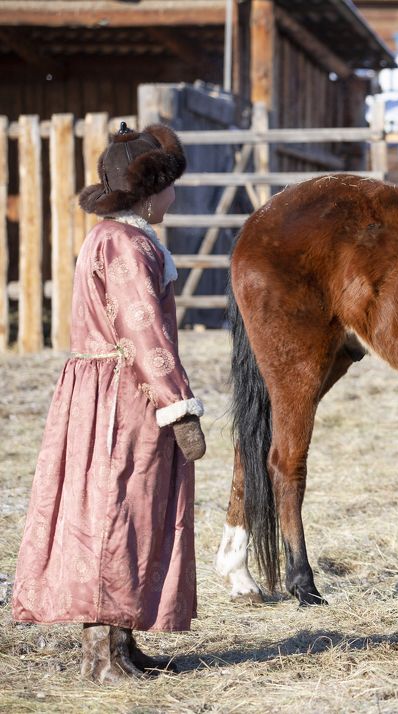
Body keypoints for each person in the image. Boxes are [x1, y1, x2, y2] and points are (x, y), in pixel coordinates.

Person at [10, 122, 206, 683]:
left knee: (126, 508)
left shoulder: (115, 237)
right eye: (169, 186)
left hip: (108, 388)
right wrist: (179, 406)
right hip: (126, 395)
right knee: (116, 509)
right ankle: (102, 659)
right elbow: (144, 332)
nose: (174, 196)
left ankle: (120, 643)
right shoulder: (125, 244)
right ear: (149, 189)